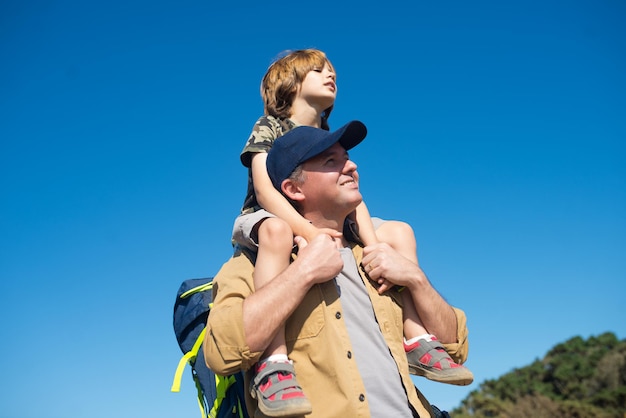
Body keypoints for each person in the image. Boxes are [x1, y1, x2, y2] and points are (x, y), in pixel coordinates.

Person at [232, 49, 472, 417]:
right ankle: (273, 362)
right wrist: (310, 234)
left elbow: (355, 202)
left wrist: (375, 249)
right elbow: (267, 191)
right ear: (289, 83)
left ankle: (417, 337)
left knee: (400, 231)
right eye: (319, 71)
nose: (332, 77)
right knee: (277, 233)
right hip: (270, 215)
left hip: (325, 219)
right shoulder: (271, 126)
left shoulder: (326, 134)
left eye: (334, 73)